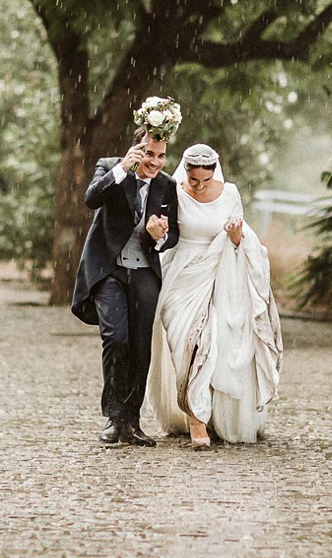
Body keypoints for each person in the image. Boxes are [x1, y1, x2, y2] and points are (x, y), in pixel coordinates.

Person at [145, 144, 282, 447]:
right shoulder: (173, 191)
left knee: (217, 342)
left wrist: (235, 236)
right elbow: (165, 233)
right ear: (186, 171)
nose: (199, 186)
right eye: (194, 180)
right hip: (182, 274)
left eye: (205, 181)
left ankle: (206, 418)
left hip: (221, 273)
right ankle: (194, 414)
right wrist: (159, 233)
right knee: (185, 341)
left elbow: (240, 239)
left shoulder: (230, 193)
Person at [71, 127, 181, 446]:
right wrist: (122, 169)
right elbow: (92, 198)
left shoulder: (167, 186)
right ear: (136, 150)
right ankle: (113, 417)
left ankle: (132, 421)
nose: (156, 162)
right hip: (110, 269)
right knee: (116, 338)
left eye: (161, 155)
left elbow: (173, 233)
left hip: (145, 272)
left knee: (140, 347)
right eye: (149, 154)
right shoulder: (110, 167)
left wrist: (160, 234)